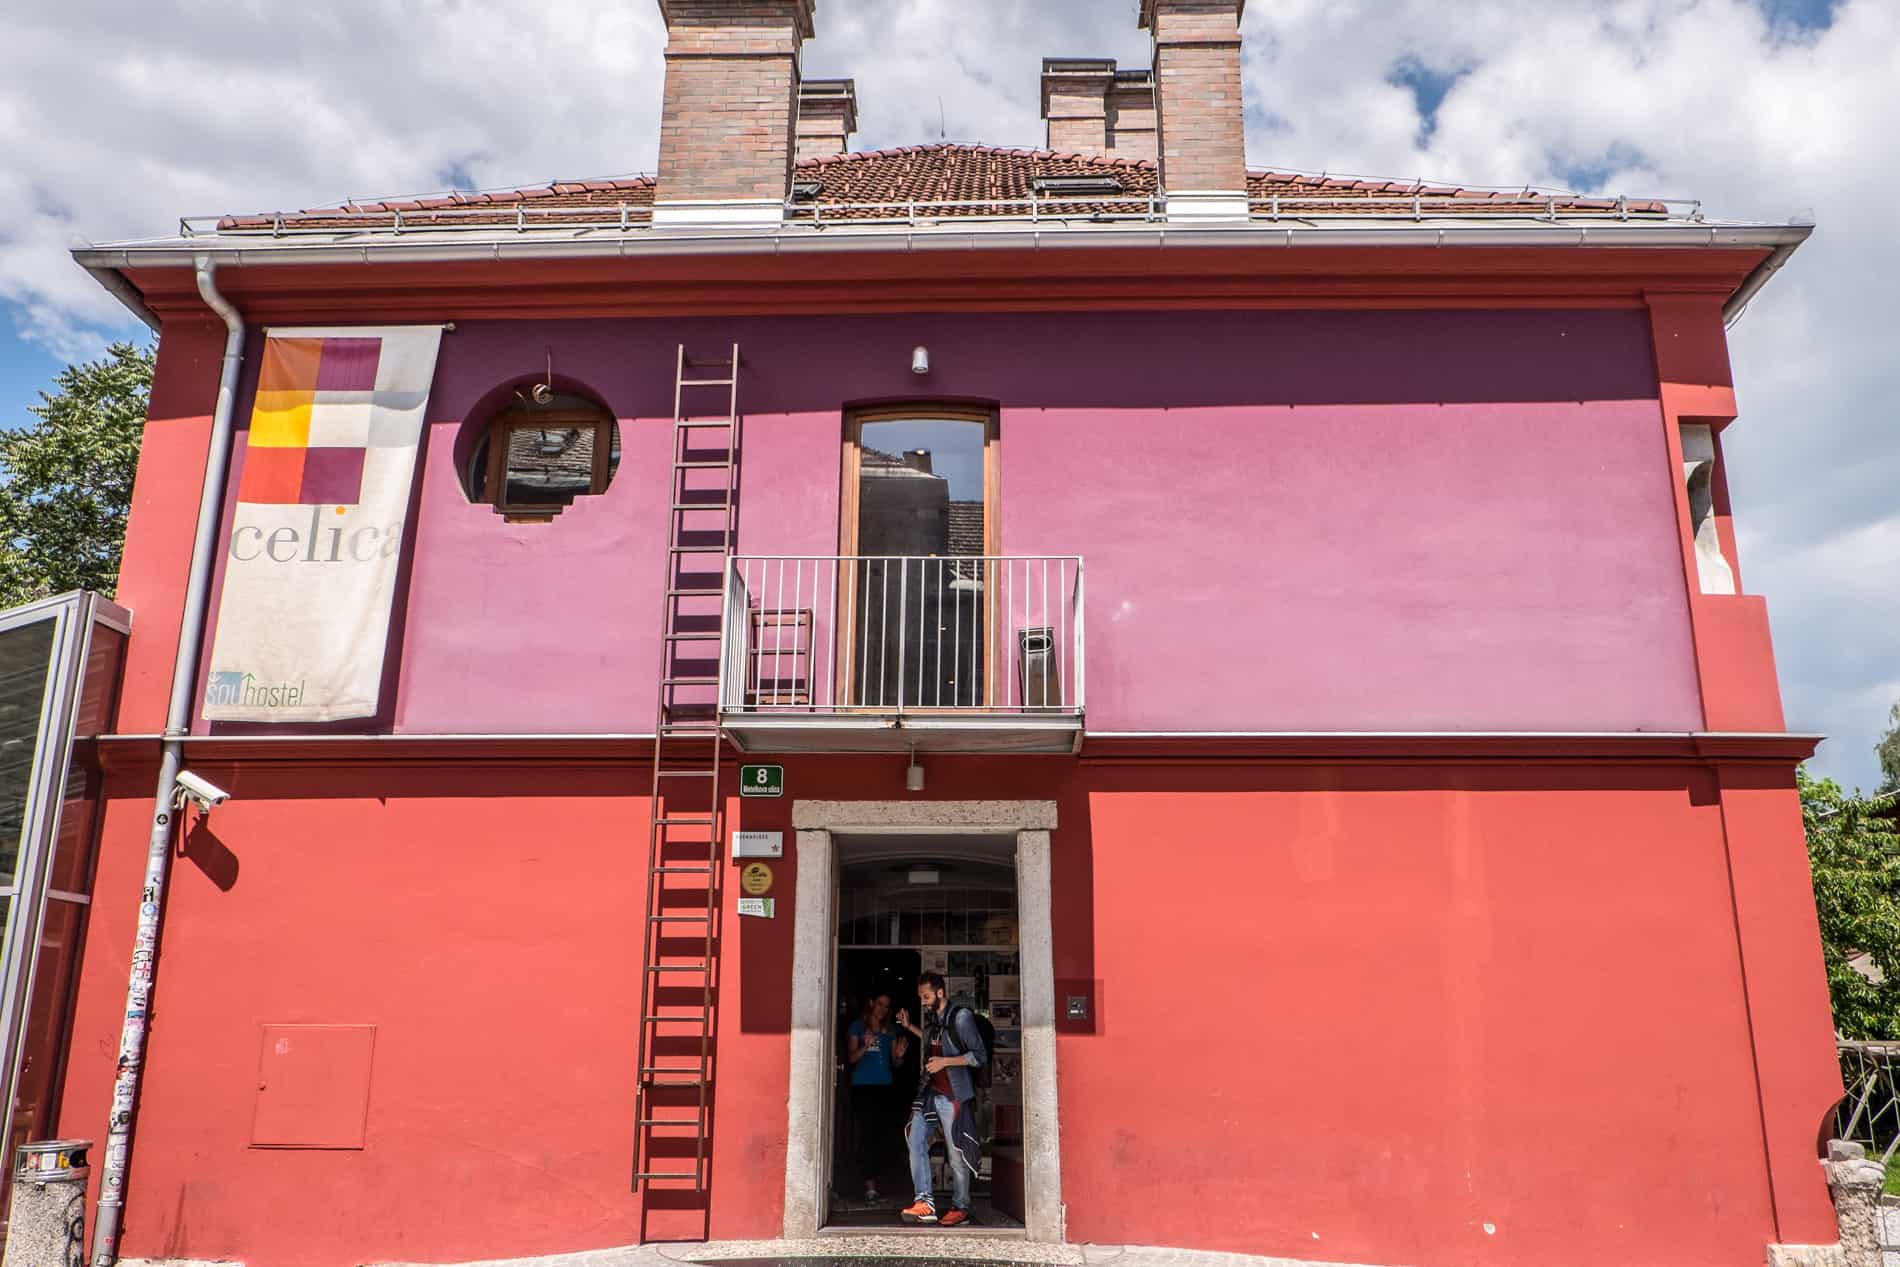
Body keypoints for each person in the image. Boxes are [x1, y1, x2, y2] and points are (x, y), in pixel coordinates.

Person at [895, 971, 987, 1227]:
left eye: (926, 996)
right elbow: (934, 1041)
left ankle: (961, 1206)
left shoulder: (962, 1017)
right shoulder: (933, 1019)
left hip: (954, 1095)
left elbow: (979, 1056)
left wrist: (946, 1062)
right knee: (915, 1139)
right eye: (921, 997)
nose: (923, 1001)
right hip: (931, 1094)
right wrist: (909, 1027)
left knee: (956, 1152)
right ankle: (925, 1202)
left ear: (940, 993)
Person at [845, 992, 906, 1203]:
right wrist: (866, 1044)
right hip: (863, 1087)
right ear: (871, 1003)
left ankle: (877, 1183)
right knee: (866, 1135)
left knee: (883, 1136)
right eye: (879, 1004)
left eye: (886, 1006)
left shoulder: (890, 1030)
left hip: (885, 1086)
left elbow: (896, 1064)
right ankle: (869, 1186)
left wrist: (899, 1056)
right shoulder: (857, 1027)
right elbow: (851, 1058)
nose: (882, 1009)